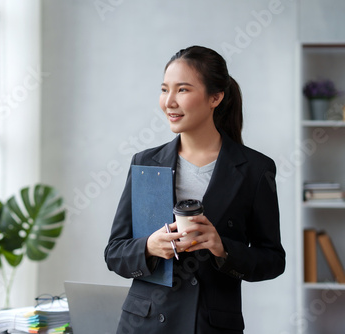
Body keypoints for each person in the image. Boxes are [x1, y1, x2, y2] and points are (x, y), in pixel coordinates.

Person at [104, 45, 285, 334]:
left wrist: (221, 248)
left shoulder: (255, 168)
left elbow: (273, 260)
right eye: (165, 90)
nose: (169, 102)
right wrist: (149, 247)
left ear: (215, 97)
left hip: (209, 326)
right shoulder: (145, 163)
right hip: (144, 324)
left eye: (183, 90)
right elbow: (114, 252)